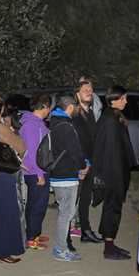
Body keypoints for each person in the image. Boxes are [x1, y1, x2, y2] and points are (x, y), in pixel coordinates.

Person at [91, 85, 137, 260]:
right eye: (122, 98)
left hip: (116, 172)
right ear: (112, 101)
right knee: (112, 209)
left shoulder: (114, 116)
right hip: (113, 174)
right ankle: (109, 249)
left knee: (113, 209)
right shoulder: (110, 120)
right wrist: (114, 177)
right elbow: (109, 152)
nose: (125, 101)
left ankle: (110, 244)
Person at [0, 94, 27, 263]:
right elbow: (21, 145)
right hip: (4, 172)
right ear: (1, 110)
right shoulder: (0, 127)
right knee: (7, 213)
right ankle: (2, 252)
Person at [47, 91, 89, 262]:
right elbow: (73, 151)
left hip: (61, 175)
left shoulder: (58, 122)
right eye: (76, 106)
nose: (78, 108)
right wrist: (83, 166)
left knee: (66, 212)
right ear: (70, 106)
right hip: (65, 177)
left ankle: (61, 248)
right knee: (66, 213)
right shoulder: (65, 126)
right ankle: (60, 249)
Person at [20, 93, 52, 251]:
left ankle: (35, 232)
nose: (49, 111)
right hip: (34, 171)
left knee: (38, 202)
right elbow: (33, 150)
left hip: (37, 169)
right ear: (45, 106)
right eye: (48, 108)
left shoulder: (37, 122)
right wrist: (39, 172)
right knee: (36, 204)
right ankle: (31, 237)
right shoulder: (32, 124)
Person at [74, 79, 101, 245]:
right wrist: (81, 164)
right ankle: (65, 240)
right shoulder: (75, 116)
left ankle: (85, 230)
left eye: (91, 90)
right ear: (78, 94)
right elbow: (75, 143)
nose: (90, 93)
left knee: (85, 199)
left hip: (90, 163)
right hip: (80, 165)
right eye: (86, 90)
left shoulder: (90, 113)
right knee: (71, 202)